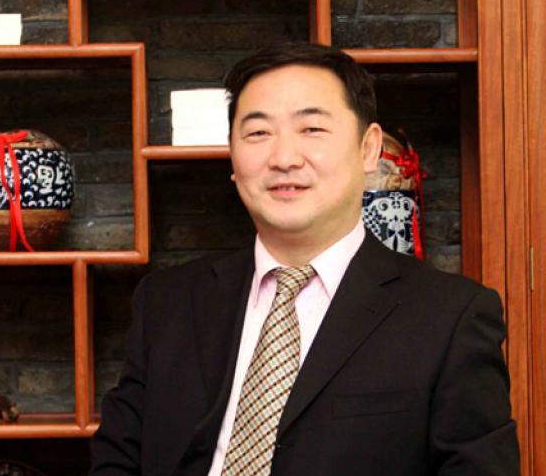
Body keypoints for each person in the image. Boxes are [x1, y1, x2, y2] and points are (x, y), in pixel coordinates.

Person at [90, 43, 520, 476]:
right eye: (258, 133)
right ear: (233, 156)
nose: (284, 159)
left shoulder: (451, 318)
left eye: (312, 129)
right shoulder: (166, 303)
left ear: (369, 148)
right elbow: (116, 462)